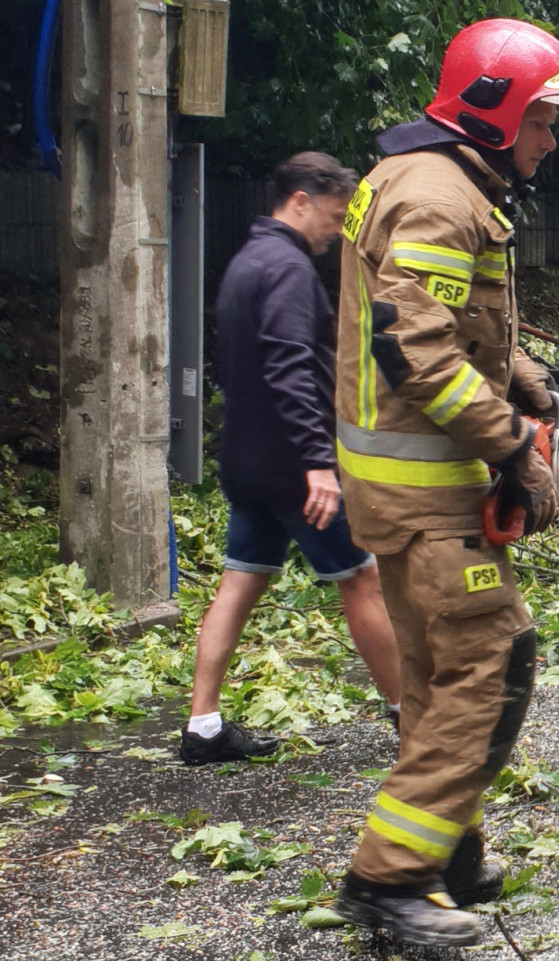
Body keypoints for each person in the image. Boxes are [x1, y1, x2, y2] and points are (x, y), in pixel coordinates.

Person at [331, 19, 559, 946]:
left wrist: (528, 382)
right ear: (496, 110)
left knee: (438, 670)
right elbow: (418, 351)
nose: (551, 140)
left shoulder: (427, 180)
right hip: (429, 485)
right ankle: (387, 880)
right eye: (544, 120)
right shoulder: (442, 198)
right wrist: (514, 450)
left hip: (401, 485)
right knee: (493, 660)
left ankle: (444, 849)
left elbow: (447, 322)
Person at [180, 153, 402, 767]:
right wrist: (317, 462)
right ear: (300, 200)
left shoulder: (247, 261)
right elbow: (289, 366)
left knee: (240, 579)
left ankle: (203, 726)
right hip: (293, 468)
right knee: (361, 578)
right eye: (333, 215)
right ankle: (411, 714)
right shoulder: (288, 268)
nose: (336, 230)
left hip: (246, 460)